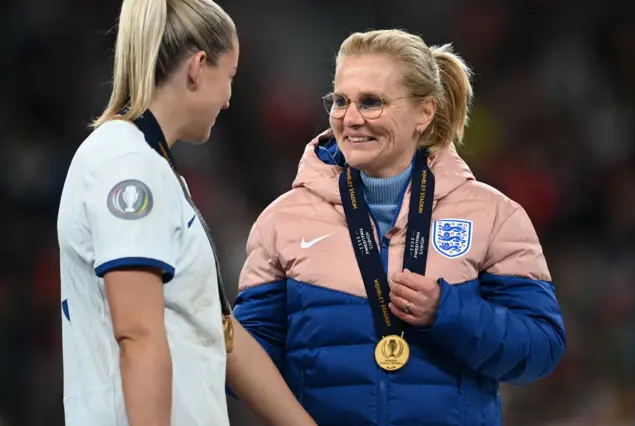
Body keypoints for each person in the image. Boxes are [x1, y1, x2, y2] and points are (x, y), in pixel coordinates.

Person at [233, 29, 567, 425]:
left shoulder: (493, 216)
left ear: (423, 112)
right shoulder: (282, 221)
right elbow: (245, 362)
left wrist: (449, 312)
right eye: (340, 101)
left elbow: (541, 348)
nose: (351, 118)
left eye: (371, 102)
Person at [56, 0, 317, 425]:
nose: (230, 99)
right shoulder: (126, 165)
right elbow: (137, 334)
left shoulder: (154, 166)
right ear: (197, 66)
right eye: (229, 76)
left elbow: (220, 332)